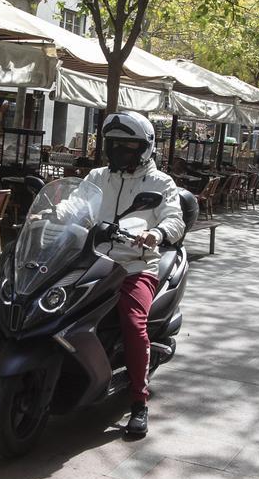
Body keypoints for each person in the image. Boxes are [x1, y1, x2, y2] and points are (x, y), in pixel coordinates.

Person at [66, 112, 186, 437]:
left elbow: (175, 219)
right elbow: (75, 205)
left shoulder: (160, 183)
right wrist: (55, 214)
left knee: (134, 324)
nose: (121, 150)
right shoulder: (97, 176)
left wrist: (157, 234)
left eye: (129, 144)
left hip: (135, 264)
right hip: (91, 260)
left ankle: (138, 402)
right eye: (115, 143)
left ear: (145, 147)